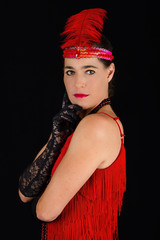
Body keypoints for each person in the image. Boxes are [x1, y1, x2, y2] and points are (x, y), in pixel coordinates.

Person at [18, 8, 126, 240]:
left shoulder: (95, 127)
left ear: (110, 72)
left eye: (89, 71)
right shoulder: (80, 123)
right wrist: (56, 137)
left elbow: (44, 211)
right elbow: (24, 193)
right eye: (70, 71)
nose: (78, 83)